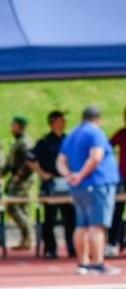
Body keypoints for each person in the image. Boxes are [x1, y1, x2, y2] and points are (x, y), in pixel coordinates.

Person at [57, 104, 120, 275]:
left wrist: (69, 175)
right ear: (98, 119)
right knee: (97, 225)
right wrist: (81, 175)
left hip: (78, 188)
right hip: (97, 184)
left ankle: (83, 262)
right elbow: (96, 157)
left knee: (81, 225)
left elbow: (60, 160)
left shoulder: (72, 134)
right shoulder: (95, 132)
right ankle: (97, 263)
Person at [29, 110, 76, 260]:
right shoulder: (44, 142)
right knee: (50, 218)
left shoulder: (68, 140)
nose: (64, 123)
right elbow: (30, 159)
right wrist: (42, 173)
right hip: (51, 184)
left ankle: (72, 247)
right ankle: (50, 249)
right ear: (53, 122)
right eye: (61, 120)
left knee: (71, 217)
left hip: (66, 183)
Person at [2, 116, 37, 251]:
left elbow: (29, 163)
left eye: (14, 125)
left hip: (23, 180)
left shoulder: (25, 143)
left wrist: (19, 176)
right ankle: (26, 238)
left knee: (12, 206)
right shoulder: (18, 142)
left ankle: (28, 235)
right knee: (21, 208)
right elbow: (10, 162)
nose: (11, 128)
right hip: (17, 178)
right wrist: (2, 174)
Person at [108, 108, 126, 255]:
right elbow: (107, 148)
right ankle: (113, 242)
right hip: (122, 177)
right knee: (117, 210)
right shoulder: (121, 133)